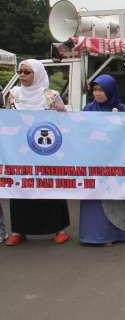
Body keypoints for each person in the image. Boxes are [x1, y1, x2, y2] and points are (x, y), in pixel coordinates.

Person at [4, 59, 71, 246]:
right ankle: (18, 230)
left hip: (47, 151)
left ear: (38, 73)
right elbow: (8, 120)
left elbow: (64, 121)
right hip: (20, 151)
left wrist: (62, 111)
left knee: (50, 186)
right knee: (21, 187)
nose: (23, 75)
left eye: (27, 72)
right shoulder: (13, 94)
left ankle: (59, 229)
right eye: (21, 72)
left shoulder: (50, 95)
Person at [79, 75, 125, 246]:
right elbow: (78, 129)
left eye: (101, 90)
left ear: (110, 90)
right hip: (94, 162)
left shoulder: (123, 110)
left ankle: (117, 234)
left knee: (115, 196)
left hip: (115, 163)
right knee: (94, 198)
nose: (98, 93)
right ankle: (94, 234)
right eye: (95, 90)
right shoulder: (88, 109)